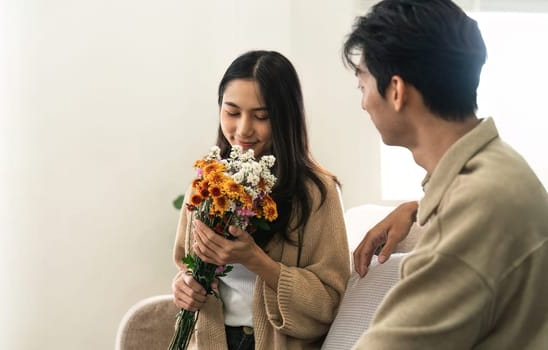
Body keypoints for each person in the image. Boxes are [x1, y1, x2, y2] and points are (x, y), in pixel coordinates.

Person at [342, 0, 548, 348]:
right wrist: (417, 208)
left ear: (396, 90)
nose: (363, 103)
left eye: (363, 87)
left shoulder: (481, 203)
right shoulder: (494, 174)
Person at [171, 50, 350, 350]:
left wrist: (256, 260)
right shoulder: (208, 183)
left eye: (261, 116)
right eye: (232, 112)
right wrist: (184, 286)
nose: (243, 130)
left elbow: (329, 302)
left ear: (285, 118)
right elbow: (186, 267)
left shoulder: (319, 192)